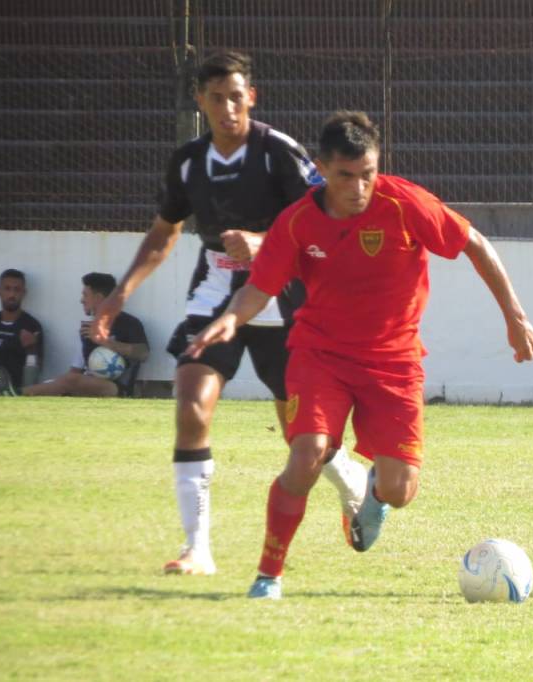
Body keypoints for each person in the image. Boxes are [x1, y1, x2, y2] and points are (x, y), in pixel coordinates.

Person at [185, 110, 533, 599]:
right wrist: (230, 318)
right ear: (322, 170)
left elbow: (473, 243)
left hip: (394, 362)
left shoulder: (404, 203)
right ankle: (269, 575)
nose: (358, 188)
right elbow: (259, 287)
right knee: (306, 454)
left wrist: (515, 317)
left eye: (367, 174)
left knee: (400, 489)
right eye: (346, 176)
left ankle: (374, 494)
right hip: (320, 355)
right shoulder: (298, 222)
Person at [91, 51, 366, 577]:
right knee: (192, 403)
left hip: (282, 296)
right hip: (216, 292)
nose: (227, 108)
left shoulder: (277, 151)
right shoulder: (188, 162)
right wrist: (120, 293)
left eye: (236, 97)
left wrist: (265, 242)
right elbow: (165, 231)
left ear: (251, 97)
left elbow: (326, 214)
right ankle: (197, 548)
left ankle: (348, 477)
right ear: (200, 101)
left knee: (303, 436)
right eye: (216, 98)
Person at [23, 273, 149, 398]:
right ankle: (21, 393)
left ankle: (18, 393)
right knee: (61, 382)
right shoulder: (87, 329)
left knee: (70, 381)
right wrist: (55, 384)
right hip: (87, 383)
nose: (82, 300)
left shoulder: (129, 323)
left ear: (98, 298)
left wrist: (104, 341)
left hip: (116, 387)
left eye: (85, 295)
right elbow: (75, 370)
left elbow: (143, 353)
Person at [0, 269, 44, 394]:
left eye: (17, 290)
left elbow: (36, 369)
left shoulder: (31, 325)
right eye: (7, 289)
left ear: (24, 293)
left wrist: (31, 349)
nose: (12, 295)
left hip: (12, 389)